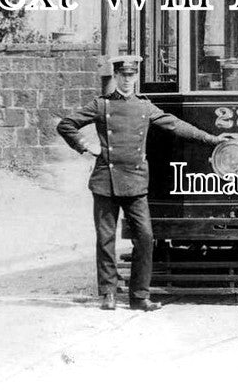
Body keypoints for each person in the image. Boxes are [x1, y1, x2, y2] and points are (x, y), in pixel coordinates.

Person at [57, 55, 227, 311]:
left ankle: (139, 296)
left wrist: (212, 140)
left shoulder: (145, 107)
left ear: (136, 78)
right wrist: (85, 146)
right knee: (106, 239)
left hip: (135, 182)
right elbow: (66, 125)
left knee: (145, 237)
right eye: (122, 75)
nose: (127, 80)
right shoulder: (101, 105)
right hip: (106, 181)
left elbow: (176, 125)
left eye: (131, 75)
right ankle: (108, 294)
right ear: (115, 77)